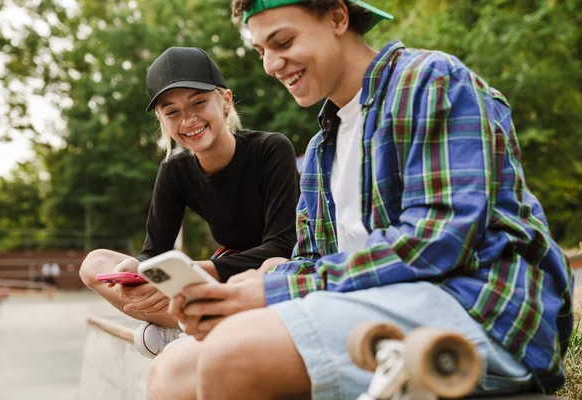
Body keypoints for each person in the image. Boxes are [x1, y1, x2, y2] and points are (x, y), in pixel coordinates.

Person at [146, 1, 574, 399]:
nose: (272, 65)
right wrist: (244, 285)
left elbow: (437, 242)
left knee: (232, 356)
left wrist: (277, 288)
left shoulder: (429, 80)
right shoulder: (319, 150)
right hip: (372, 307)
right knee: (174, 369)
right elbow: (315, 259)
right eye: (261, 50)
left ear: (337, 17)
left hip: (478, 309)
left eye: (283, 42)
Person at [79, 46, 299, 359]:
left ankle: (193, 323)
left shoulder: (270, 149)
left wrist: (194, 270)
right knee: (95, 264)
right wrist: (140, 273)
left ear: (225, 101)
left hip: (274, 273)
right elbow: (155, 252)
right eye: (172, 112)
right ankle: (189, 324)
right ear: (161, 119)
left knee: (271, 267)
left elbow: (281, 246)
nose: (188, 119)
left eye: (198, 102)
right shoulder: (174, 170)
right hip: (216, 278)